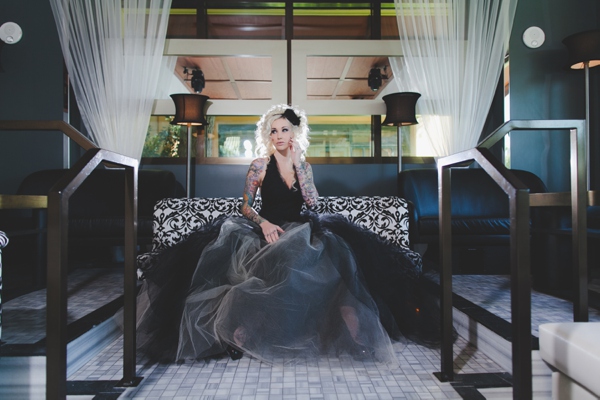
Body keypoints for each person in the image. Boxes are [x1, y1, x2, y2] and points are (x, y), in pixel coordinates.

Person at [134, 104, 445, 365]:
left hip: (301, 230)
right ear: (267, 135)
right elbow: (244, 205)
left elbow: (313, 203)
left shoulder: (303, 166)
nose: (278, 135)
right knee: (247, 269)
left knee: (337, 263)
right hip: (265, 230)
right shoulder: (259, 165)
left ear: (294, 132)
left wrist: (297, 164)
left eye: (284, 129)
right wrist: (263, 224)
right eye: (273, 131)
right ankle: (236, 334)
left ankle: (354, 335)